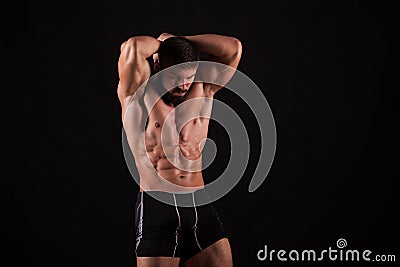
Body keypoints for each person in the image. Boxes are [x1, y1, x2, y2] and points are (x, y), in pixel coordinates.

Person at [117, 32, 242, 267]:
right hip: (157, 207)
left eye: (189, 76)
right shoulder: (139, 95)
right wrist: (165, 44)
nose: (184, 84)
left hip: (199, 205)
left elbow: (233, 48)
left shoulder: (203, 89)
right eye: (175, 77)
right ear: (157, 65)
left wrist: (181, 40)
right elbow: (133, 46)